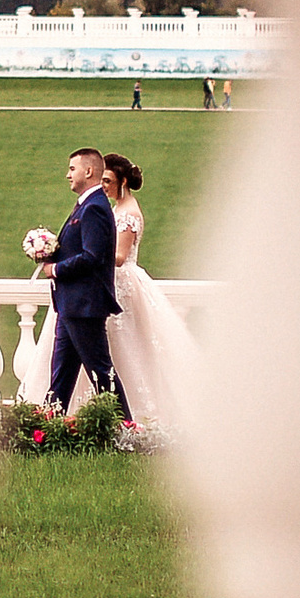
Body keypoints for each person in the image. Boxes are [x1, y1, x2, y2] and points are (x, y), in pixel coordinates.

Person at [94, 153, 200, 429]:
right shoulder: (117, 208)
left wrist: (89, 251)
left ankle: (137, 414)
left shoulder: (128, 213)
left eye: (108, 181)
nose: (103, 186)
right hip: (113, 281)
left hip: (122, 283)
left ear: (123, 181)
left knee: (127, 345)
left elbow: (120, 256)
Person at [34, 147, 121, 415]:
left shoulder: (94, 207)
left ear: (89, 171)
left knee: (102, 374)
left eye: (72, 169)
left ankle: (125, 427)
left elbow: (92, 256)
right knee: (61, 376)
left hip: (84, 306)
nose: (68, 175)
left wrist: (56, 269)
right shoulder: (87, 204)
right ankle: (49, 425)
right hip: (71, 305)